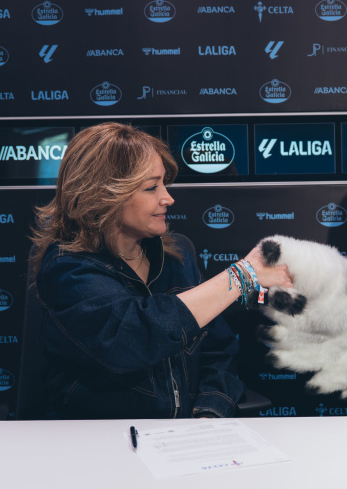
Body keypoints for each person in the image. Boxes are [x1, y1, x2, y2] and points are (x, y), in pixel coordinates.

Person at [31, 122, 291, 419]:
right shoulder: (67, 269)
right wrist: (241, 277)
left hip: (182, 439)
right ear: (104, 195)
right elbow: (135, 337)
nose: (168, 198)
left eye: (164, 184)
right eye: (152, 187)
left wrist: (210, 411)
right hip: (99, 442)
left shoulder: (175, 258)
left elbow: (218, 350)